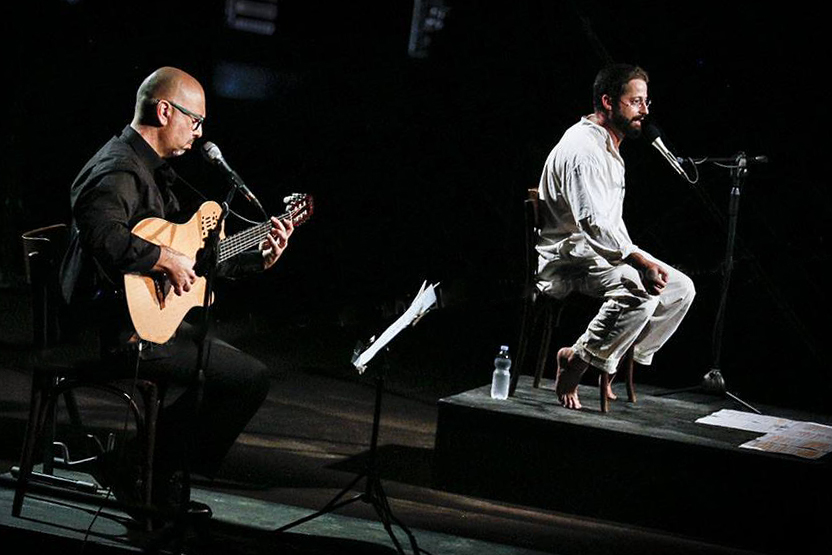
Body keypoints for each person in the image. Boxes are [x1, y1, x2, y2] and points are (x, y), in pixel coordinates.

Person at [59, 66, 294, 522]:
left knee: (238, 370)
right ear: (165, 111)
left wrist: (256, 257)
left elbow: (193, 261)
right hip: (106, 330)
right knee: (246, 379)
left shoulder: (153, 170)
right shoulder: (118, 168)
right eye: (195, 120)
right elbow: (103, 234)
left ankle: (141, 465)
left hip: (137, 320)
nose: (200, 132)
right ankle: (143, 468)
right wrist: (162, 260)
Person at [535, 63, 695, 410]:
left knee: (681, 290)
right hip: (568, 259)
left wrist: (641, 259)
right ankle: (577, 363)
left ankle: (605, 357)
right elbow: (593, 225)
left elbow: (608, 227)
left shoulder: (608, 144)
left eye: (646, 102)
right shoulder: (584, 149)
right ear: (608, 102)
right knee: (641, 291)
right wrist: (638, 261)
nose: (645, 110)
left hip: (594, 253)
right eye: (635, 102)